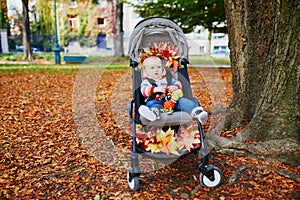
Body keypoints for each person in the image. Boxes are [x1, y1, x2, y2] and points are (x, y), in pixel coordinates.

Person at [138, 56, 208, 123]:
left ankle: (198, 113)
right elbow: (143, 91)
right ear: (146, 71)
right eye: (152, 68)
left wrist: (175, 87)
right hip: (157, 102)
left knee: (183, 101)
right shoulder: (146, 81)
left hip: (173, 102)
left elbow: (178, 83)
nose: (156, 70)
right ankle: (153, 114)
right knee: (152, 104)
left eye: (159, 67)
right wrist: (155, 89)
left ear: (162, 68)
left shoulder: (168, 78)